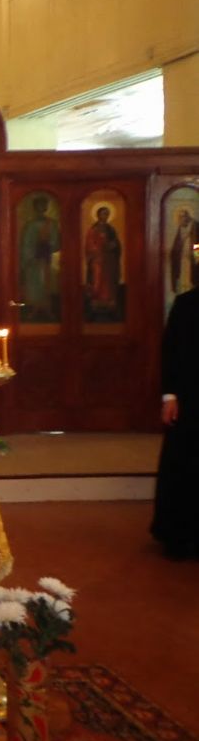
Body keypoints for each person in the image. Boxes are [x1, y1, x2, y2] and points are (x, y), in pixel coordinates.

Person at [152, 287, 199, 560]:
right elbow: (171, 350)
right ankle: (178, 535)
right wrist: (169, 396)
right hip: (190, 399)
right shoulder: (187, 304)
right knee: (184, 464)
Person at [19, 196, 61, 323]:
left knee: (46, 282)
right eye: (39, 205)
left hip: (47, 257)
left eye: (44, 205)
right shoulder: (30, 225)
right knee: (35, 283)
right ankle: (35, 308)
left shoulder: (51, 223)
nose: (41, 208)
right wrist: (31, 255)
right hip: (33, 259)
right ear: (35, 207)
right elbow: (26, 243)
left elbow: (56, 243)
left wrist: (47, 243)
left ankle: (47, 308)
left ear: (46, 207)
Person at [84, 205, 123, 321]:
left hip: (109, 262)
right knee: (97, 284)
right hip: (98, 262)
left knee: (109, 285)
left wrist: (114, 246)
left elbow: (116, 243)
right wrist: (103, 247)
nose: (106, 216)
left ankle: (110, 308)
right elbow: (90, 246)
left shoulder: (111, 229)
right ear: (98, 215)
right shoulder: (93, 229)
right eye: (104, 214)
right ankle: (96, 309)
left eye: (107, 214)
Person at [170, 207, 198, 296]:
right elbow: (177, 245)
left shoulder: (196, 227)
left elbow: (197, 244)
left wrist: (196, 257)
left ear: (187, 217)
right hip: (182, 260)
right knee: (183, 280)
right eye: (179, 218)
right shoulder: (181, 228)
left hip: (192, 260)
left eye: (182, 217)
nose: (180, 220)